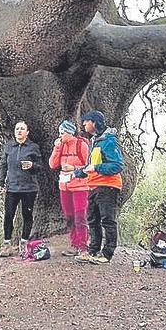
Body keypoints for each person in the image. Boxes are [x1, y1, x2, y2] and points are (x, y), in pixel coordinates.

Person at [73, 110, 123, 265]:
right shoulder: (95, 141)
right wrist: (77, 172)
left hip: (108, 186)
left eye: (86, 122)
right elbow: (91, 166)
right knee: (92, 219)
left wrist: (97, 168)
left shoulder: (109, 141)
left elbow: (117, 165)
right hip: (93, 186)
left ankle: (107, 254)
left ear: (94, 122)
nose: (83, 125)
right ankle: (92, 250)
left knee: (107, 220)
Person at [0, 121, 42, 257]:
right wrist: (0, 184)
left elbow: (40, 167)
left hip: (29, 188)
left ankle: (24, 244)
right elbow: (3, 165)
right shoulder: (9, 146)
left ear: (27, 132)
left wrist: (32, 165)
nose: (19, 131)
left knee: (27, 216)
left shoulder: (33, 147)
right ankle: (7, 245)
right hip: (12, 188)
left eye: (22, 129)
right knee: (8, 216)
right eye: (17, 129)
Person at [49, 119, 91, 257]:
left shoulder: (81, 145)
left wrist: (74, 168)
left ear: (70, 133)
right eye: (60, 133)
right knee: (69, 216)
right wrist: (57, 147)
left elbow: (90, 166)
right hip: (64, 186)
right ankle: (74, 244)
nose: (60, 135)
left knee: (80, 216)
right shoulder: (61, 145)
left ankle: (83, 246)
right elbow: (52, 164)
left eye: (62, 133)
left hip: (80, 186)